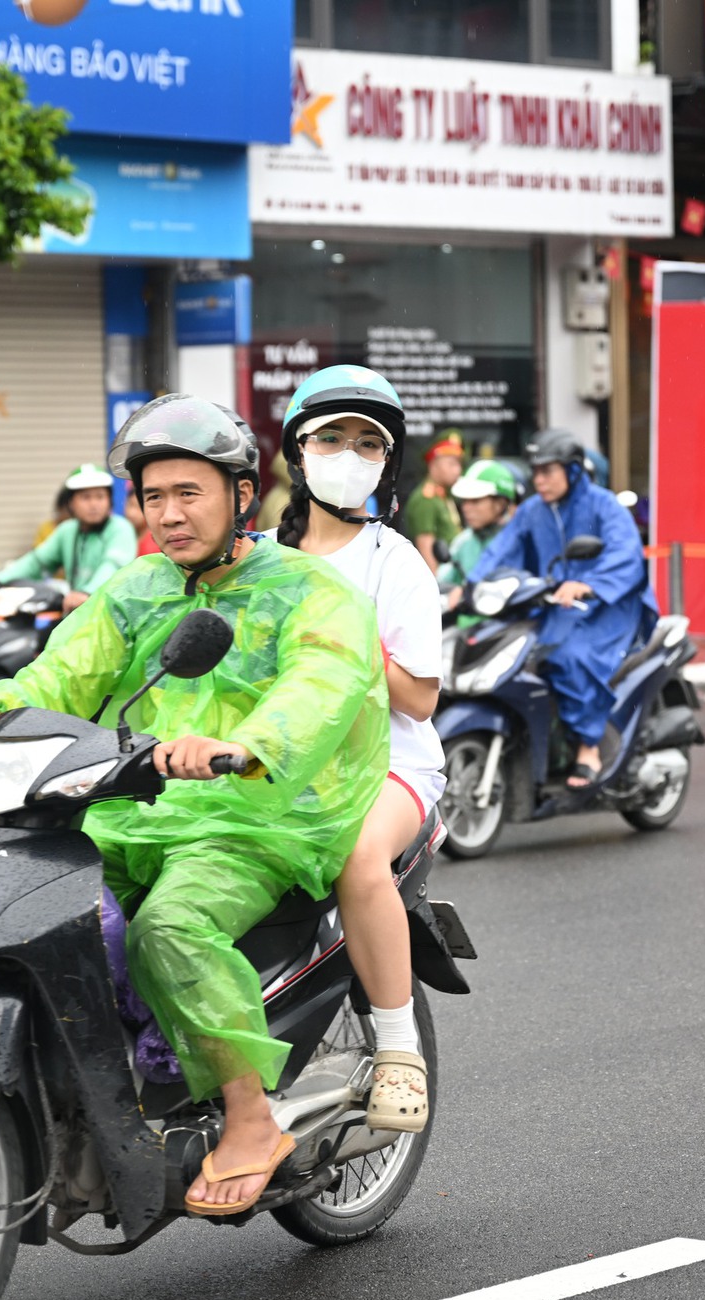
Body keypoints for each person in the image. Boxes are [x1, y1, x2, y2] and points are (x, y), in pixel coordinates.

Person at [0, 395, 389, 1217]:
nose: (167, 515)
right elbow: (63, 673)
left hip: (260, 812)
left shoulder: (311, 588)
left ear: (241, 494)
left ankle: (249, 1116)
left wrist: (248, 745)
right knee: (43, 912)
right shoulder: (137, 589)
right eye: (153, 497)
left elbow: (322, 683)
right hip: (134, 806)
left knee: (171, 928)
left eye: (187, 493)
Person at [266, 365, 444, 1134]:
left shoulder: (392, 561)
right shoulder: (255, 559)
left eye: (367, 442)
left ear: (386, 462)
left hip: (388, 766)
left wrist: (344, 645)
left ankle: (401, 1052)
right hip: (275, 761)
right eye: (330, 437)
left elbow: (419, 698)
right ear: (297, 452)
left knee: (356, 859)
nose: (348, 453)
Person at [473, 432, 656, 789]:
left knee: (569, 657)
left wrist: (588, 583)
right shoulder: (532, 510)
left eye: (548, 471)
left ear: (572, 471)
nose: (538, 480)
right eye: (535, 472)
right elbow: (499, 552)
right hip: (556, 608)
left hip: (609, 607)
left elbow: (626, 553)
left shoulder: (604, 505)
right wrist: (469, 587)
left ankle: (589, 747)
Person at [0, 465, 137, 612]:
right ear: (71, 503)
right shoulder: (68, 530)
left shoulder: (120, 528)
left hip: (113, 613)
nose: (94, 504)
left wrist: (86, 592)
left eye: (100, 497)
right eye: (86, 497)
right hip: (78, 612)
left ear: (109, 501)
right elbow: (37, 561)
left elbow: (113, 565)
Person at [442, 459, 520, 584]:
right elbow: (443, 581)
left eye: (475, 500)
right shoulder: (462, 542)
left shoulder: (520, 540)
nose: (466, 508)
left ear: (500, 503)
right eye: (465, 500)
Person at [404, 430, 465, 571]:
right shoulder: (426, 498)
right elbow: (426, 546)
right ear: (433, 465)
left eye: (458, 464)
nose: (458, 470)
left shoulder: (443, 495)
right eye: (451, 464)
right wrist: (438, 585)